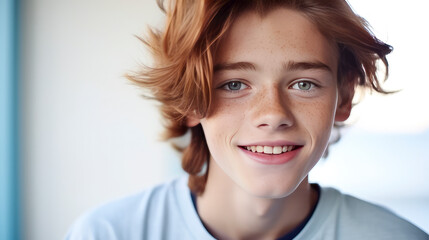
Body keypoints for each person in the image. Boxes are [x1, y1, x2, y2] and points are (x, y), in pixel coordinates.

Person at [66, 0, 428, 239]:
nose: (273, 114)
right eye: (235, 84)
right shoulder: (107, 233)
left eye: (304, 83)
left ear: (344, 96)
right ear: (191, 100)